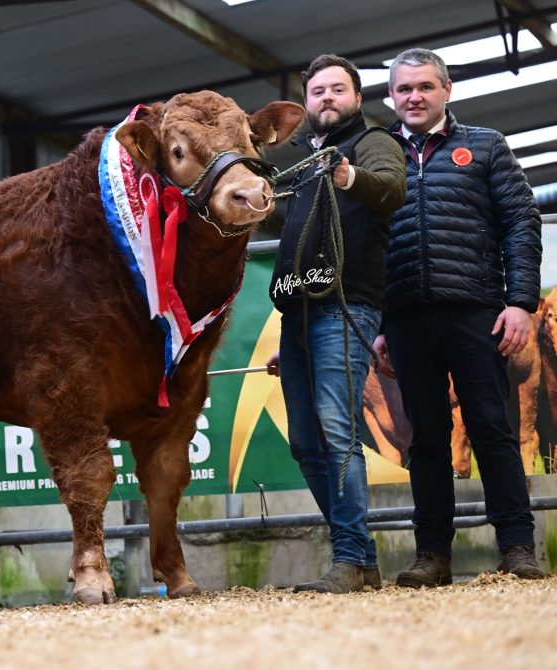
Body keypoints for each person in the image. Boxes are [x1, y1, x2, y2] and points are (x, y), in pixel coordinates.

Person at [374, 48, 545, 586]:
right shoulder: (376, 156)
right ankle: (433, 556)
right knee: (424, 438)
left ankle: (517, 548)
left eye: (425, 87)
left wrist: (519, 302)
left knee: (493, 429)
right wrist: (379, 322)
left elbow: (521, 220)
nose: (414, 97)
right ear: (391, 98)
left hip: (477, 312)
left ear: (447, 90)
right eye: (404, 89)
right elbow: (366, 243)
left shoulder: (485, 146)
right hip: (404, 317)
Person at [266, 54, 406, 593]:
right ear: (306, 103)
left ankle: (348, 558)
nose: (327, 98)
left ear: (356, 97)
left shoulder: (371, 143)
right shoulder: (302, 162)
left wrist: (350, 176)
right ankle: (361, 559)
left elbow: (392, 190)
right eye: (318, 91)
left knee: (337, 431)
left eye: (338, 90)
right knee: (305, 440)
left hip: (346, 306)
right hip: (299, 315)